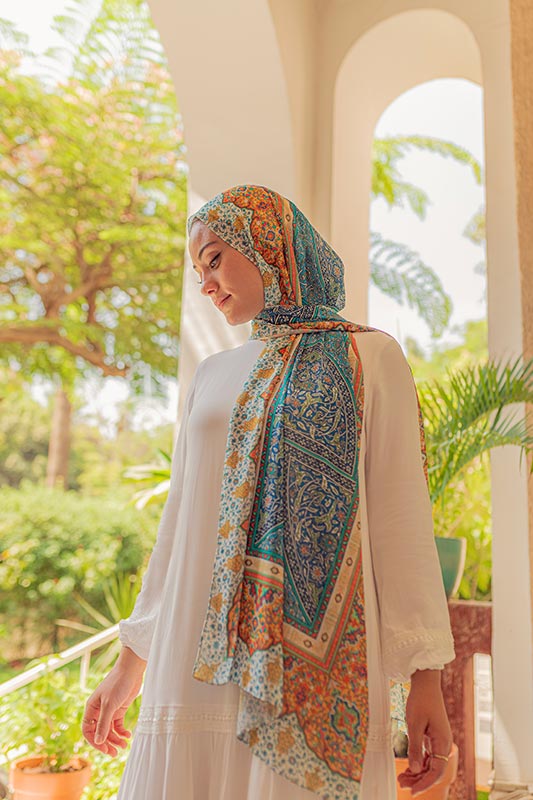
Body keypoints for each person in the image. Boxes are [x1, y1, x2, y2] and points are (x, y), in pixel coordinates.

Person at [83, 184, 456, 800]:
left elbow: (400, 522)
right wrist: (132, 662)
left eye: (214, 260)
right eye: (198, 273)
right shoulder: (211, 374)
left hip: (310, 673)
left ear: (269, 246)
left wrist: (425, 677)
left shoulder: (370, 357)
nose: (206, 285)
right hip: (193, 656)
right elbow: (178, 527)